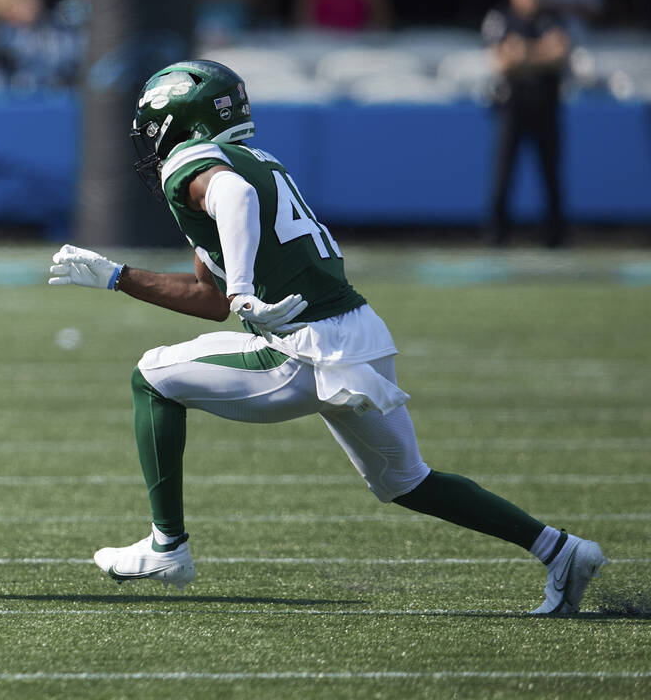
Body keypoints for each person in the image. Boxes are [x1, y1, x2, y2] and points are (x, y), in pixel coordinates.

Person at [47, 59, 606, 615]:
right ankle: (560, 549)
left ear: (183, 122)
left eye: (154, 127)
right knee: (409, 482)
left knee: (151, 377)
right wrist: (119, 277)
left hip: (303, 348)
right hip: (359, 334)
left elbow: (233, 204)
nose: (150, 142)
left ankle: (168, 545)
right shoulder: (257, 160)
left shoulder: (198, 162)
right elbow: (211, 301)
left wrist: (242, 289)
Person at [481, 0, 570, 248]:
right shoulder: (501, 18)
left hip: (545, 104)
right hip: (512, 106)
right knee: (503, 173)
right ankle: (497, 235)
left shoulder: (550, 18)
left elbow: (561, 52)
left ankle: (555, 236)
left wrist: (524, 53)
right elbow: (501, 61)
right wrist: (541, 53)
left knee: (551, 173)